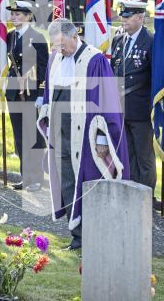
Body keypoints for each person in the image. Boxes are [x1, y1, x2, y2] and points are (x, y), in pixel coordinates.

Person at [37, 18, 129, 250]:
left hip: (86, 135)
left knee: (88, 183)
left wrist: (101, 138)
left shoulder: (95, 60)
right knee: (66, 181)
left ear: (74, 36)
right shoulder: (55, 59)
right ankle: (77, 236)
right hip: (60, 132)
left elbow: (107, 101)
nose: (59, 50)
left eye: (61, 45)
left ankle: (96, 235)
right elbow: (49, 94)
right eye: (55, 46)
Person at [110, 0, 156, 190]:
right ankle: (131, 192)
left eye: (128, 17)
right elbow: (113, 71)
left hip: (141, 109)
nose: (124, 20)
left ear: (140, 17)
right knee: (126, 154)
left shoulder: (151, 41)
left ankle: (146, 195)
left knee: (144, 156)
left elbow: (155, 77)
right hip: (120, 107)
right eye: (123, 17)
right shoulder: (118, 40)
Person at [6, 1, 48, 191]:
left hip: (31, 94)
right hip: (14, 92)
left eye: (18, 14)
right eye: (12, 14)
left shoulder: (37, 38)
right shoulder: (10, 36)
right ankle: (26, 177)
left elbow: (43, 69)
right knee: (19, 137)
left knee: (33, 137)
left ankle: (37, 178)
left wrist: (41, 94)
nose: (14, 17)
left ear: (28, 16)